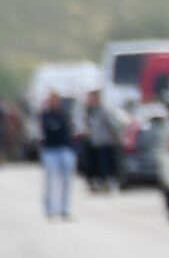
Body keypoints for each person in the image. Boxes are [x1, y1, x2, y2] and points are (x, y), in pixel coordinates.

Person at [37, 93, 77, 221]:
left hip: (65, 148)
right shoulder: (45, 115)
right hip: (50, 150)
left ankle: (64, 209)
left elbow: (69, 129)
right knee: (50, 180)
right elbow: (48, 130)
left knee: (66, 180)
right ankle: (49, 210)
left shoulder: (64, 114)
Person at [83, 90, 122, 193]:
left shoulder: (103, 110)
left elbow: (112, 124)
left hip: (104, 142)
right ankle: (98, 182)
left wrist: (117, 136)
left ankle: (107, 182)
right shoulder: (89, 110)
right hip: (93, 143)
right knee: (95, 166)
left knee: (105, 165)